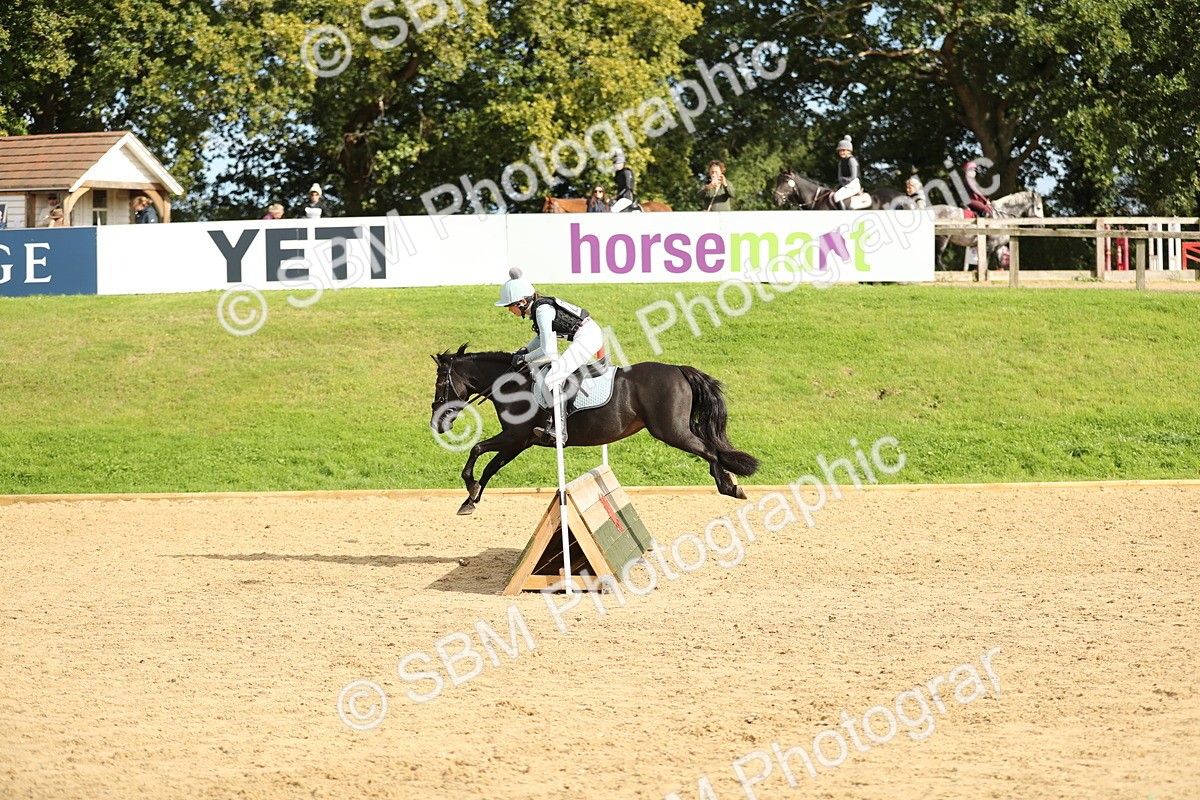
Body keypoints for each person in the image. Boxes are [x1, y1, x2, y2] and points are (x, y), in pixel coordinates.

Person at [497, 267, 603, 445]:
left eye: (510, 306)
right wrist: (525, 349)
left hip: (588, 337)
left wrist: (524, 359)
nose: (509, 311)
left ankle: (558, 429)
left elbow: (548, 351)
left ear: (522, 302)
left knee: (553, 377)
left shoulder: (542, 311)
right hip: (586, 334)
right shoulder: (540, 308)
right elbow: (541, 338)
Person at [831, 135, 861, 210]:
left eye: (843, 150)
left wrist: (845, 179)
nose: (841, 153)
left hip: (853, 184)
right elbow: (839, 176)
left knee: (836, 196)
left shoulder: (852, 160)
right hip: (845, 185)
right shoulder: (841, 162)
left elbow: (853, 176)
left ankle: (844, 214)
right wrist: (841, 180)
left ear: (849, 151)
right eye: (840, 151)